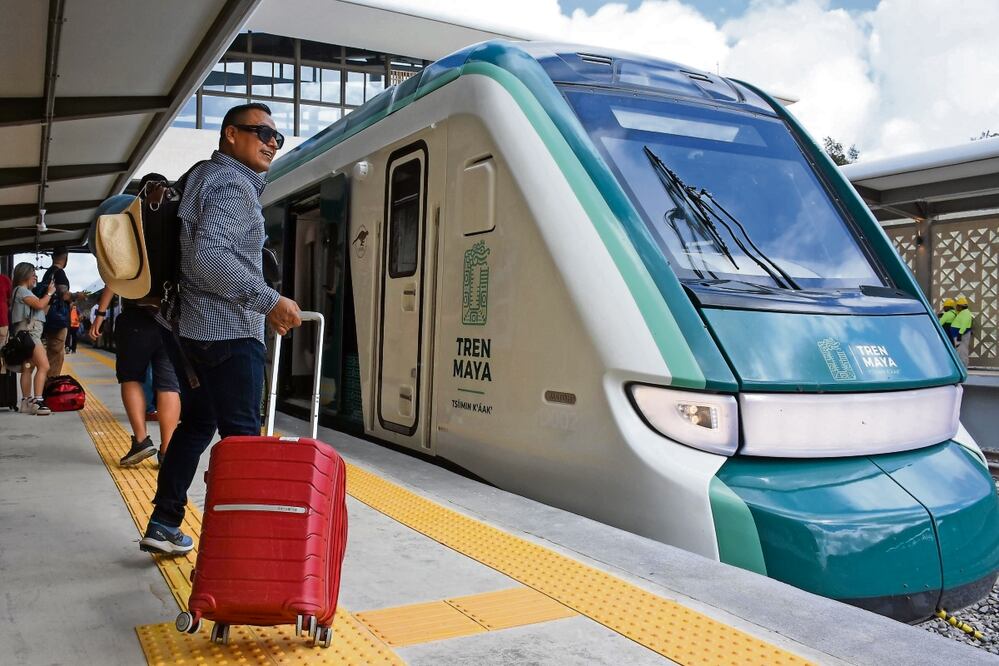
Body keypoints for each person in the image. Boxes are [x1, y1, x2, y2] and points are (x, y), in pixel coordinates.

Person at [140, 102, 302, 555]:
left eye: (277, 137)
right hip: (229, 332)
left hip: (190, 333)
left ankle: (164, 522)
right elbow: (210, 259)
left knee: (196, 426)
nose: (272, 143)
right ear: (231, 134)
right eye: (262, 133)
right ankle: (237, 548)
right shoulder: (232, 183)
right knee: (243, 442)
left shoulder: (202, 176)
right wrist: (270, 301)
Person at [89, 195, 181, 469]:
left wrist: (101, 314)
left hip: (137, 318)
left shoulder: (128, 234)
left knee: (131, 377)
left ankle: (141, 441)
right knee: (169, 384)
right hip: (170, 316)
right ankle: (167, 450)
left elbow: (114, 278)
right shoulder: (173, 230)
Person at [9, 262, 54, 415]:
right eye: (33, 274)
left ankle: (26, 402)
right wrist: (49, 293)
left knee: (28, 368)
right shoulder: (22, 291)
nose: (35, 277)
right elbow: (40, 305)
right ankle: (38, 401)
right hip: (30, 335)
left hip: (25, 335)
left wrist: (49, 299)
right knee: (44, 366)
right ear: (25, 274)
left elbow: (40, 311)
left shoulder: (20, 291)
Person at [40, 249, 70, 380]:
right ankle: (50, 389)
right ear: (66, 258)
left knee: (51, 353)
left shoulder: (48, 273)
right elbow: (64, 295)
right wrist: (78, 295)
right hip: (58, 320)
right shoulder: (60, 273)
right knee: (56, 355)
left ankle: (47, 387)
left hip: (48, 317)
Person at [952, 295, 974, 366]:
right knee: (960, 351)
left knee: (962, 351)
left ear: (961, 306)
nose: (956, 307)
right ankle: (961, 366)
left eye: (957, 306)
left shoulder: (965, 313)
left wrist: (959, 334)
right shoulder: (963, 312)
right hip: (959, 334)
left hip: (961, 335)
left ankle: (963, 366)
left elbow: (964, 324)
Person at [0, 270, 11, 373]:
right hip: (2, 320)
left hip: (3, 321)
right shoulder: (4, 279)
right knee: (2, 351)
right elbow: (10, 299)